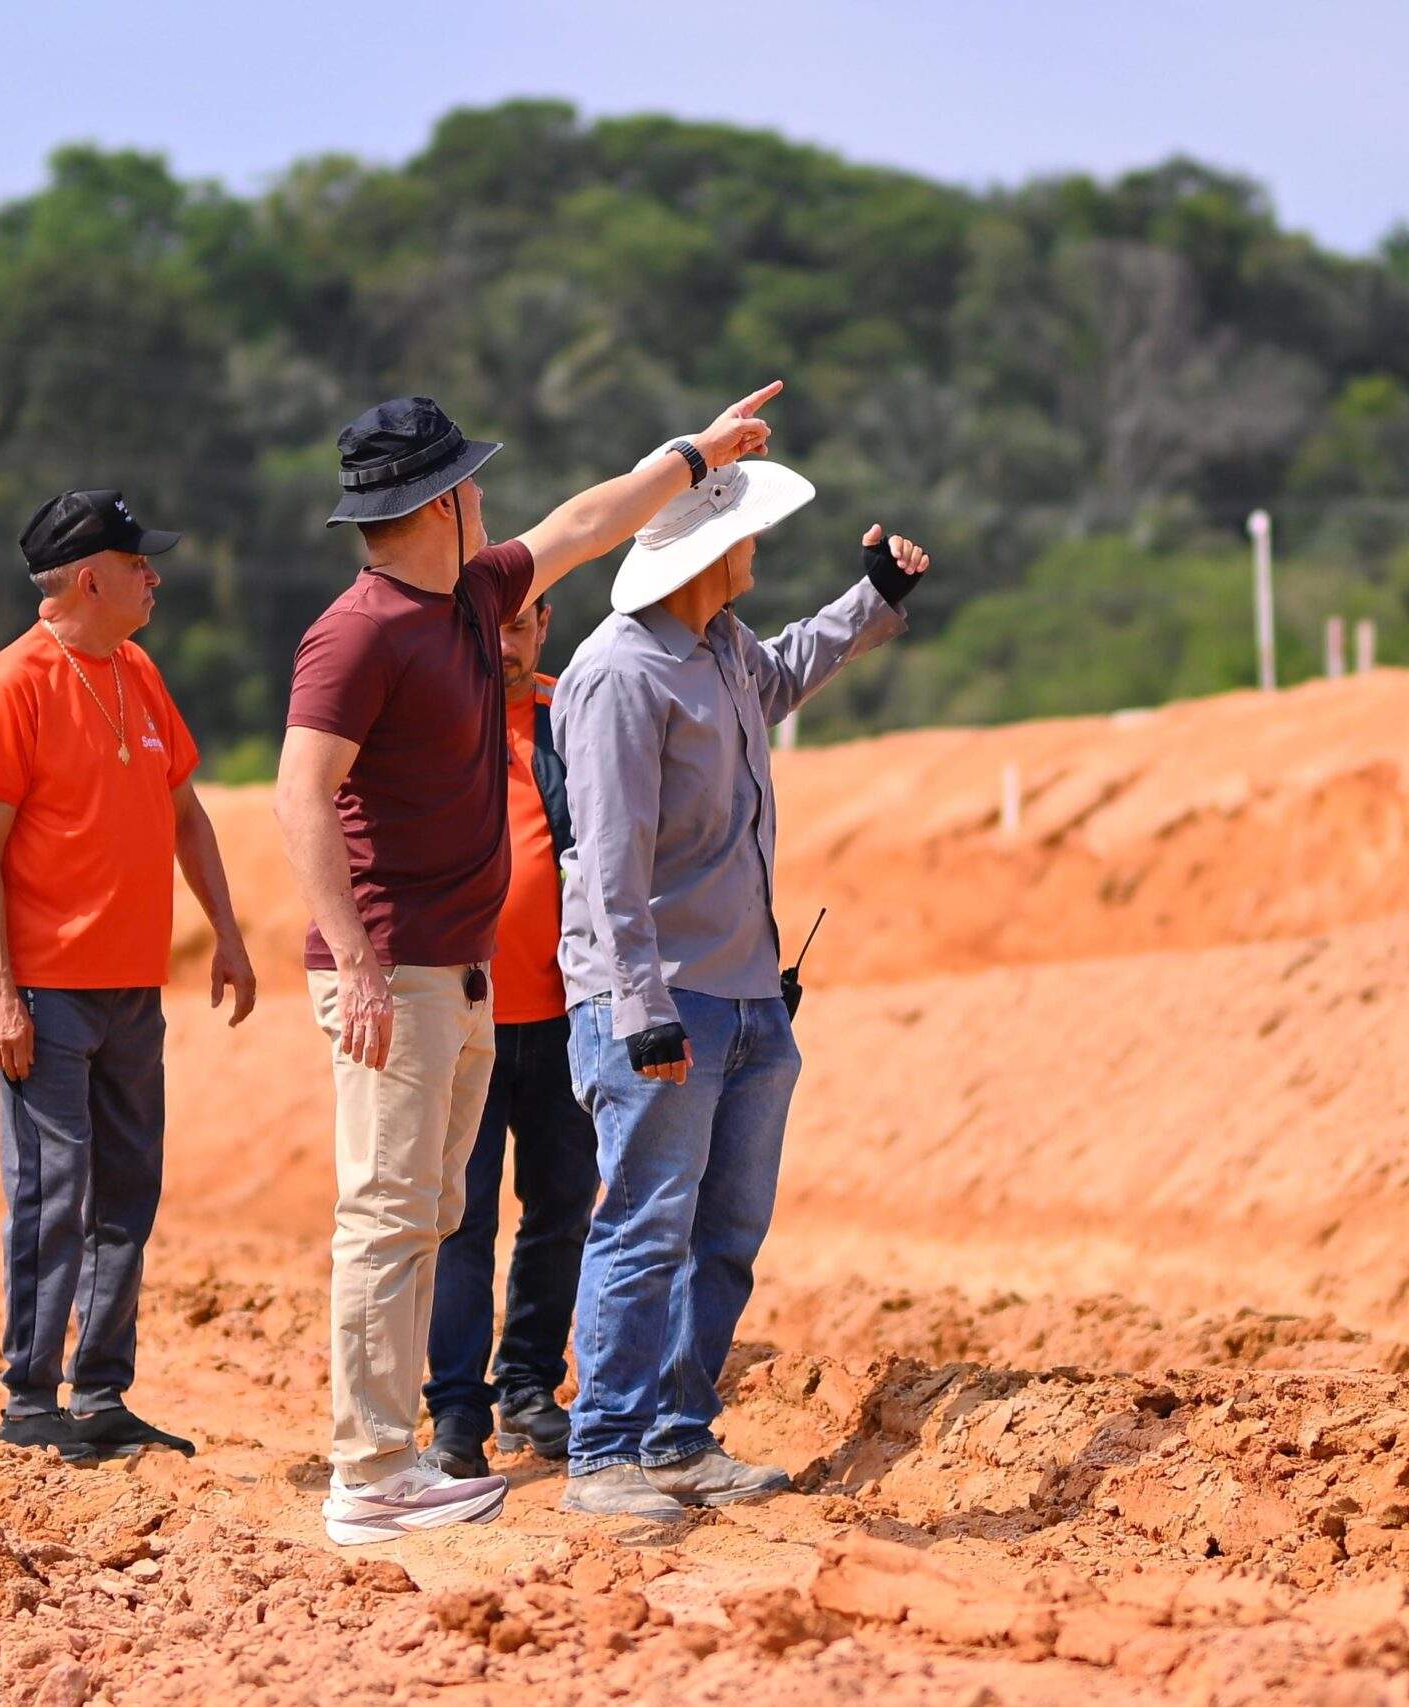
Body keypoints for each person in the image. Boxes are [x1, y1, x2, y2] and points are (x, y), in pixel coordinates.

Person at [274, 385, 780, 1546]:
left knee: (431, 1208)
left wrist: (696, 453)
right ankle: (372, 1470)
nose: (491, 503)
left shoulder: (470, 594)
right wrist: (353, 955)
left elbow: (587, 522)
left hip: (455, 971)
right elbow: (300, 791)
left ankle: (396, 1455)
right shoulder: (357, 632)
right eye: (474, 488)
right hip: (390, 968)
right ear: (441, 504)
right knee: (390, 1213)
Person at [554, 450, 929, 1518]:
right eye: (749, 533)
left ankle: (676, 1438)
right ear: (710, 549)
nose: (758, 548)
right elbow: (610, 863)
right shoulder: (621, 674)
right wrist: (641, 1011)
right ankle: (603, 1456)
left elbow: (788, 668)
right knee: (643, 1224)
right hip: (661, 1002)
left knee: (723, 1232)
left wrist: (875, 601)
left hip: (747, 994)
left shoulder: (718, 648)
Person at [0, 488, 258, 1466]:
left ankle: (100, 1393)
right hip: (45, 992)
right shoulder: (17, 683)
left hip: (132, 989)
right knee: (55, 1190)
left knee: (128, 1190)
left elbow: (186, 815)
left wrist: (228, 932)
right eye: (139, 564)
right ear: (91, 577)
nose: (154, 576)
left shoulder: (136, 668)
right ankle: (30, 1398)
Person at [419, 590, 599, 1480]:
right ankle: (456, 1409)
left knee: (562, 1208)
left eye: (524, 622)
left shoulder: (576, 715)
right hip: (464, 1017)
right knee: (463, 1219)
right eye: (493, 623)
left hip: (569, 1019)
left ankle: (529, 1384)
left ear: (545, 625)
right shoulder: (436, 724)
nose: (509, 640)